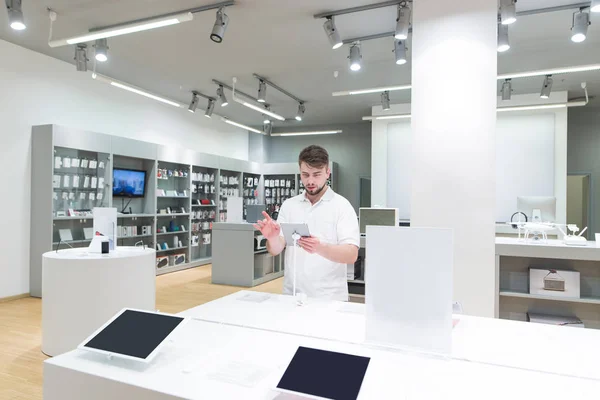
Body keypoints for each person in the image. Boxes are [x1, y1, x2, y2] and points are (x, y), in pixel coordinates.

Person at [253, 145, 359, 301]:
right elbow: (275, 249)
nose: (310, 181)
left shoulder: (342, 206)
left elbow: (351, 254)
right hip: (293, 295)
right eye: (305, 175)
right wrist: (272, 238)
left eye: (316, 175)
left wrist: (320, 248)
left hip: (330, 298)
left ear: (327, 173)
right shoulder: (289, 205)